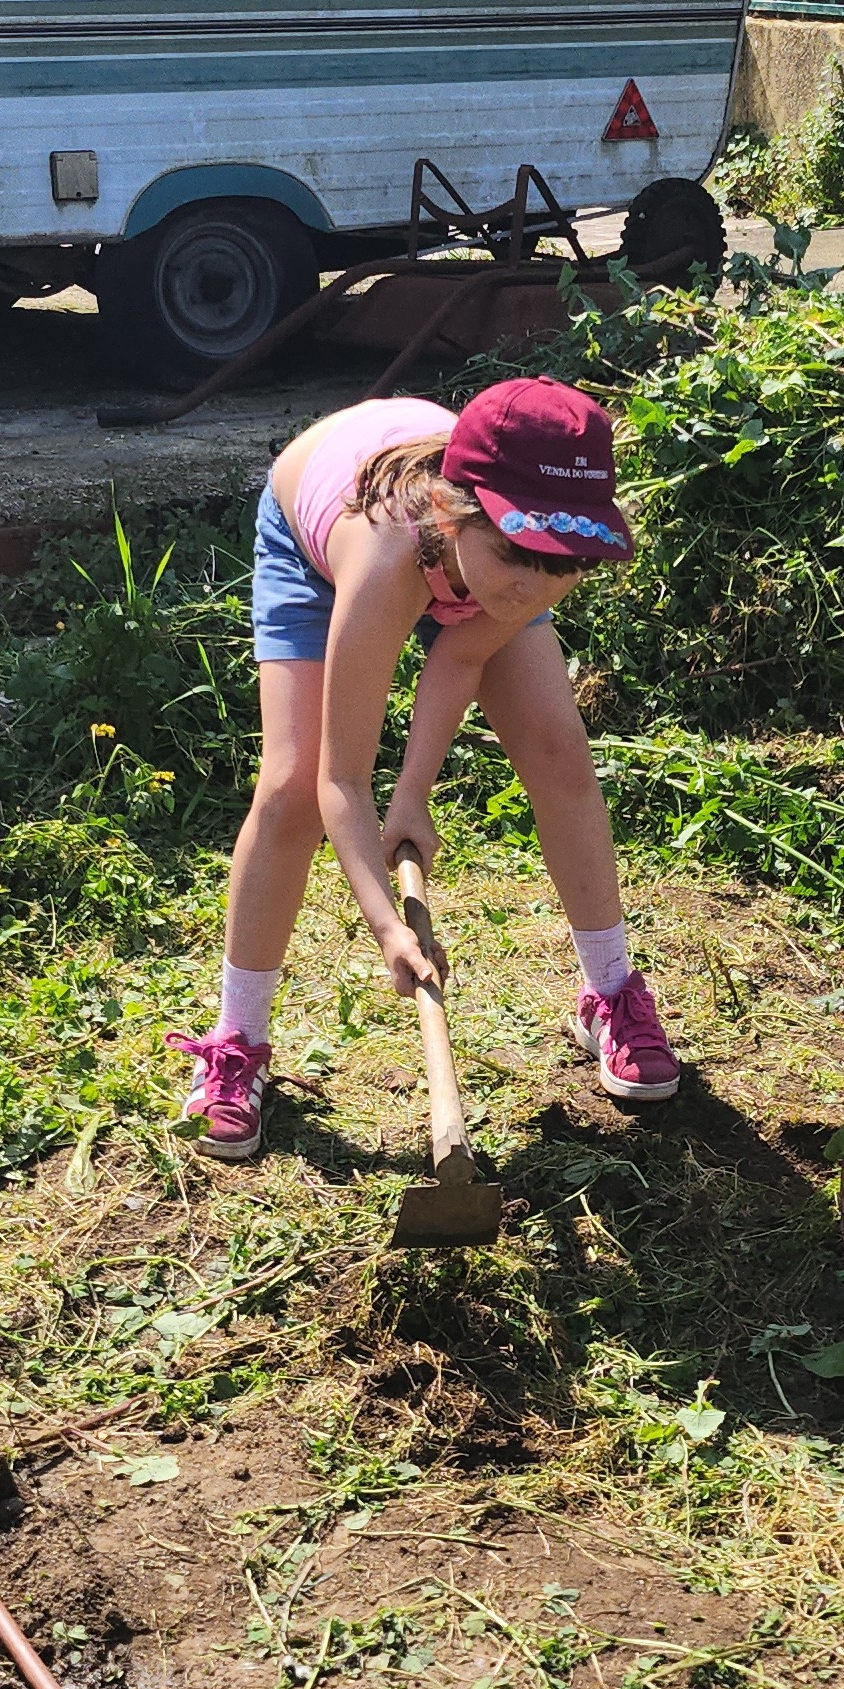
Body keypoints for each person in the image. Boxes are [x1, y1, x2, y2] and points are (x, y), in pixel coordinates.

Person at [167, 378, 679, 1162]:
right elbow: (342, 780)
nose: (540, 588)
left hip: (468, 533)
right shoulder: (385, 556)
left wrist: (412, 798)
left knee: (556, 747)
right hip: (323, 531)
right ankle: (237, 1039)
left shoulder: (524, 555)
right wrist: (386, 928)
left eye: (567, 562)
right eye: (526, 558)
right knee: (295, 786)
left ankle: (609, 992)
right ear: (455, 511)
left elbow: (465, 647)